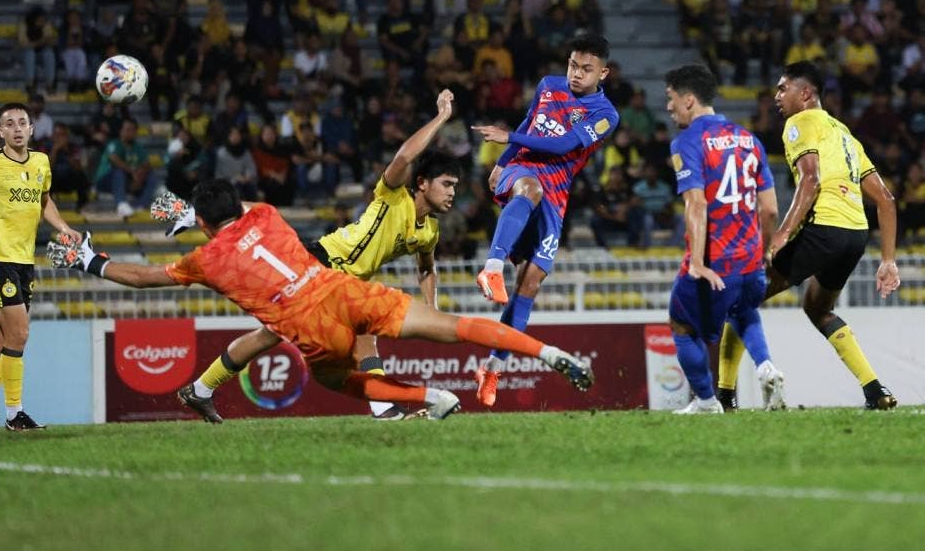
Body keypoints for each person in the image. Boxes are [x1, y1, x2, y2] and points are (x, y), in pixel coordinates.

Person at [48, 179, 592, 423]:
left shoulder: (204, 260)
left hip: (309, 324)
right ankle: (546, 352)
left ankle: (426, 397)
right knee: (455, 325)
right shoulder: (266, 213)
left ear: (207, 223)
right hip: (341, 286)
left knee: (336, 379)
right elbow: (239, 211)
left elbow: (143, 278)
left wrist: (89, 260)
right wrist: (195, 213)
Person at [156, 91, 464, 422]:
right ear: (422, 183)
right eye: (447, 184)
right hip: (322, 261)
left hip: (341, 277)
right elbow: (404, 156)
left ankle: (200, 390)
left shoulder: (429, 231)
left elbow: (426, 269)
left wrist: (432, 310)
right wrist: (440, 118)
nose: (452, 193)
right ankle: (384, 408)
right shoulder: (394, 195)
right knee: (362, 327)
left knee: (270, 334)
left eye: (455, 186)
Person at [716, 61, 900, 410]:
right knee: (819, 308)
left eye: (782, 88)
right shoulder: (844, 134)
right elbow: (886, 200)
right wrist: (888, 260)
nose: (776, 96)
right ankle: (875, 390)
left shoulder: (799, 122)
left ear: (805, 94)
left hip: (823, 228)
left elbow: (810, 180)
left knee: (740, 298)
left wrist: (782, 233)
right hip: (854, 235)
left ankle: (723, 397)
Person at [469, 35, 619, 407]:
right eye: (573, 65)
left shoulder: (606, 115)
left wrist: (508, 137)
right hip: (524, 169)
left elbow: (565, 145)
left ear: (603, 73)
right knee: (530, 189)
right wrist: (503, 162)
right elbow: (530, 121)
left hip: (558, 191)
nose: (576, 74)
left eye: (586, 69)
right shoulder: (548, 86)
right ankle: (492, 267)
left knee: (530, 283)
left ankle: (492, 369)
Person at [0, 103, 82, 432]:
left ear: (32, 128)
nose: (17, 128)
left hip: (24, 260)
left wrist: (63, 227)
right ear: (1, 132)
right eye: (9, 124)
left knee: (5, 338)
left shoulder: (41, 162)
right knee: (20, 334)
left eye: (22, 122)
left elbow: (44, 200)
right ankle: (15, 414)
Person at [663, 65, 785, 414]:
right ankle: (767, 368)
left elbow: (696, 203)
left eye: (671, 99)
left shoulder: (687, 142)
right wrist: (763, 252)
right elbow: (770, 209)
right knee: (744, 311)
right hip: (750, 260)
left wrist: (698, 262)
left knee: (681, 324)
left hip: (715, 261)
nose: (668, 107)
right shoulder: (749, 139)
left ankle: (705, 401)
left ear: (689, 100)